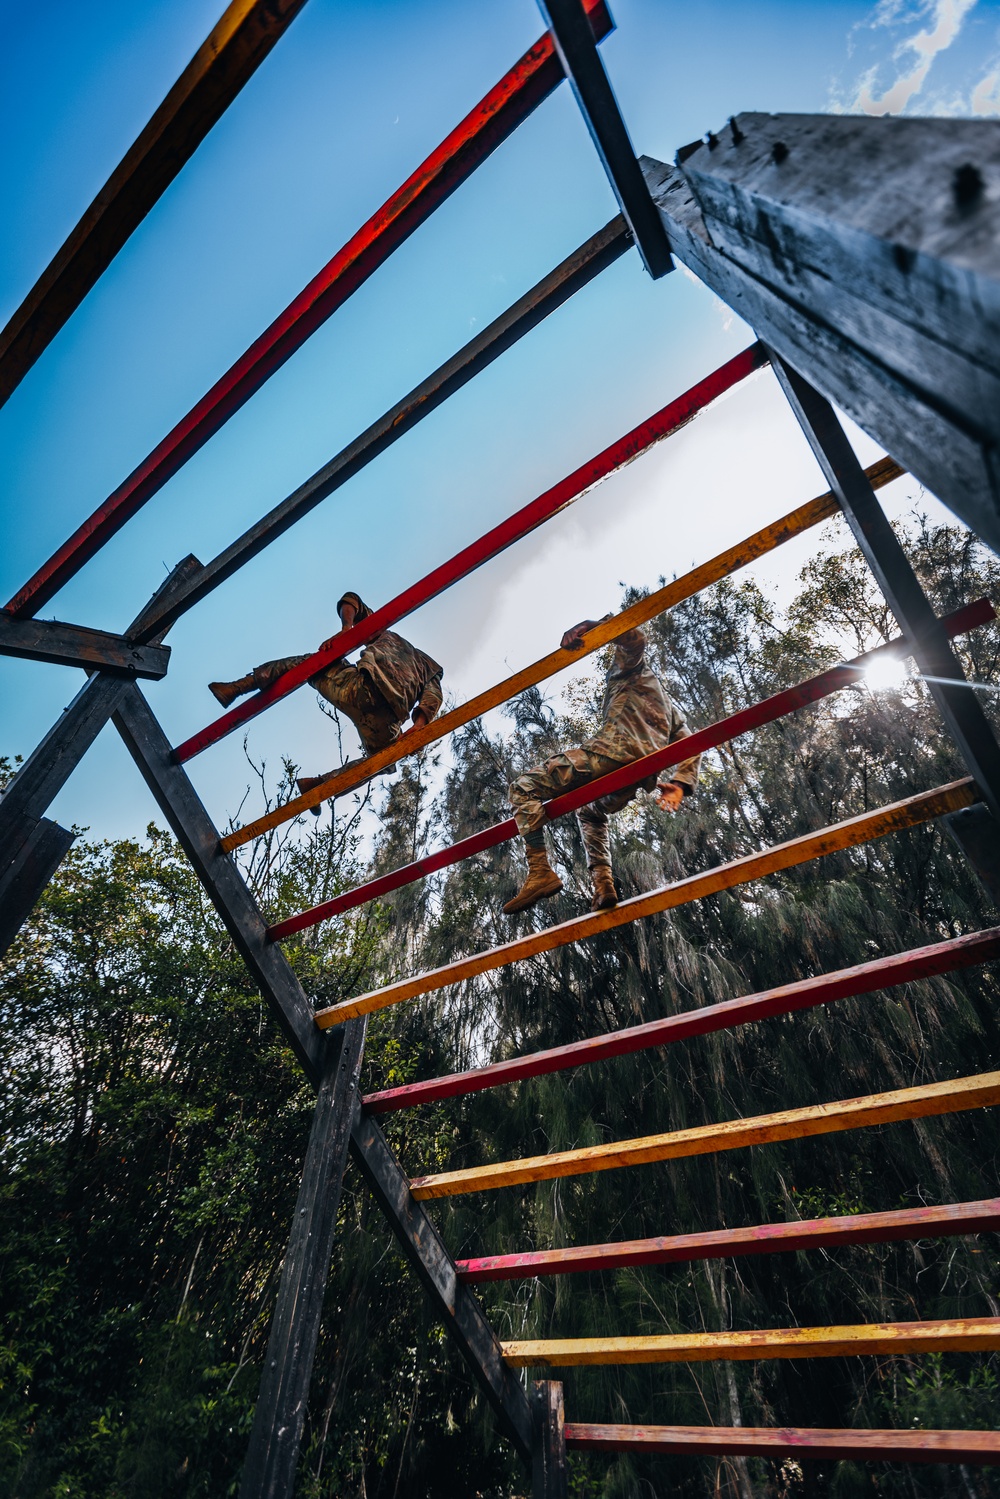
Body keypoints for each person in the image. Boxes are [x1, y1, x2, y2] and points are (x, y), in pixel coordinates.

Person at [504, 615, 700, 916]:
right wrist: (681, 784)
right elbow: (689, 741)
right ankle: (603, 885)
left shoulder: (632, 669)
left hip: (610, 754)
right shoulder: (669, 709)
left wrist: (591, 625)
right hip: (636, 777)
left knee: (523, 788)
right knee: (590, 811)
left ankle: (540, 871)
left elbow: (635, 640)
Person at [208, 591, 443, 795]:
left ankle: (237, 688)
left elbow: (352, 600)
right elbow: (434, 694)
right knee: (383, 761)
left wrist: (346, 629)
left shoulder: (386, 635)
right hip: (387, 719)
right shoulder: (428, 667)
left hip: (362, 690)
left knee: (308, 664)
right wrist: (420, 726)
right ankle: (320, 785)